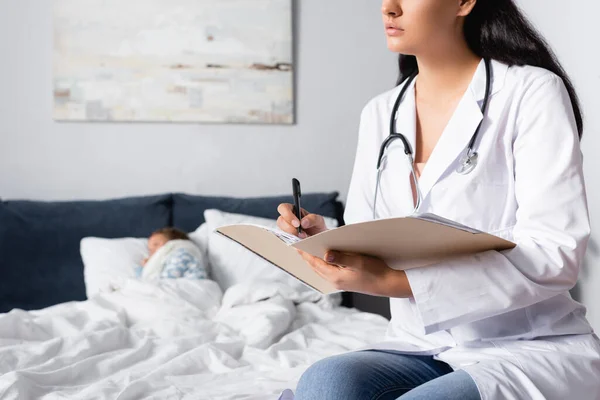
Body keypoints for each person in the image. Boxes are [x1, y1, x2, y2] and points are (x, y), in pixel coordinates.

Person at [276, 0, 600, 399]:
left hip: (525, 343)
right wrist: (324, 237)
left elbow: (556, 253)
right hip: (418, 342)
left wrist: (396, 282)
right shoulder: (380, 112)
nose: (388, 8)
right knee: (324, 382)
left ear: (465, 2)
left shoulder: (530, 91)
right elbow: (371, 233)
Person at [135, 227, 207, 280]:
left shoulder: (182, 254)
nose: (153, 250)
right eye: (150, 250)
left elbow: (167, 281)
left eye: (156, 244)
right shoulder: (162, 263)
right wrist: (144, 268)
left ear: (173, 242)